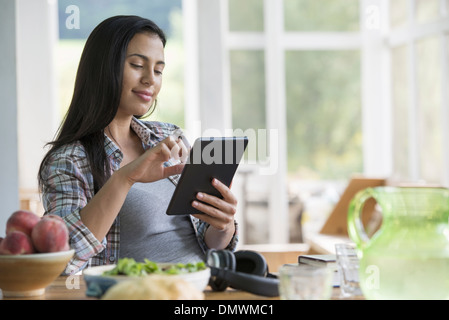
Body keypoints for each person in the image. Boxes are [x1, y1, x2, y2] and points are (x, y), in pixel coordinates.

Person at [38, 15, 238, 275]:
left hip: (202, 290)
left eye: (158, 70)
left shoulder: (169, 137)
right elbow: (63, 262)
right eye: (137, 65)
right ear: (103, 68)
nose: (150, 80)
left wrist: (223, 226)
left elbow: (209, 243)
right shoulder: (69, 161)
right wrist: (126, 178)